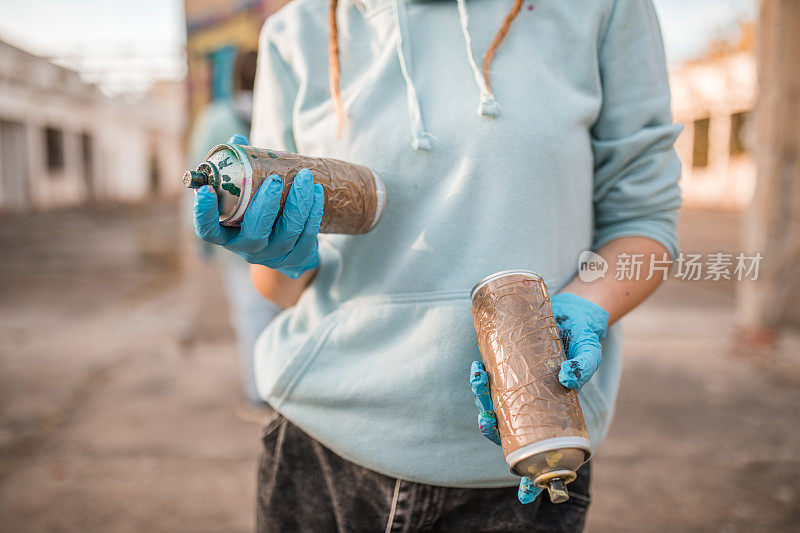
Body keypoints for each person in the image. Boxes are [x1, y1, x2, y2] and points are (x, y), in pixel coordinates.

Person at [192, 0, 682, 530]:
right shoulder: (296, 30)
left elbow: (645, 223)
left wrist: (588, 305)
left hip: (526, 455)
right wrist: (276, 257)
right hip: (320, 449)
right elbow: (279, 291)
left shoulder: (601, 9)